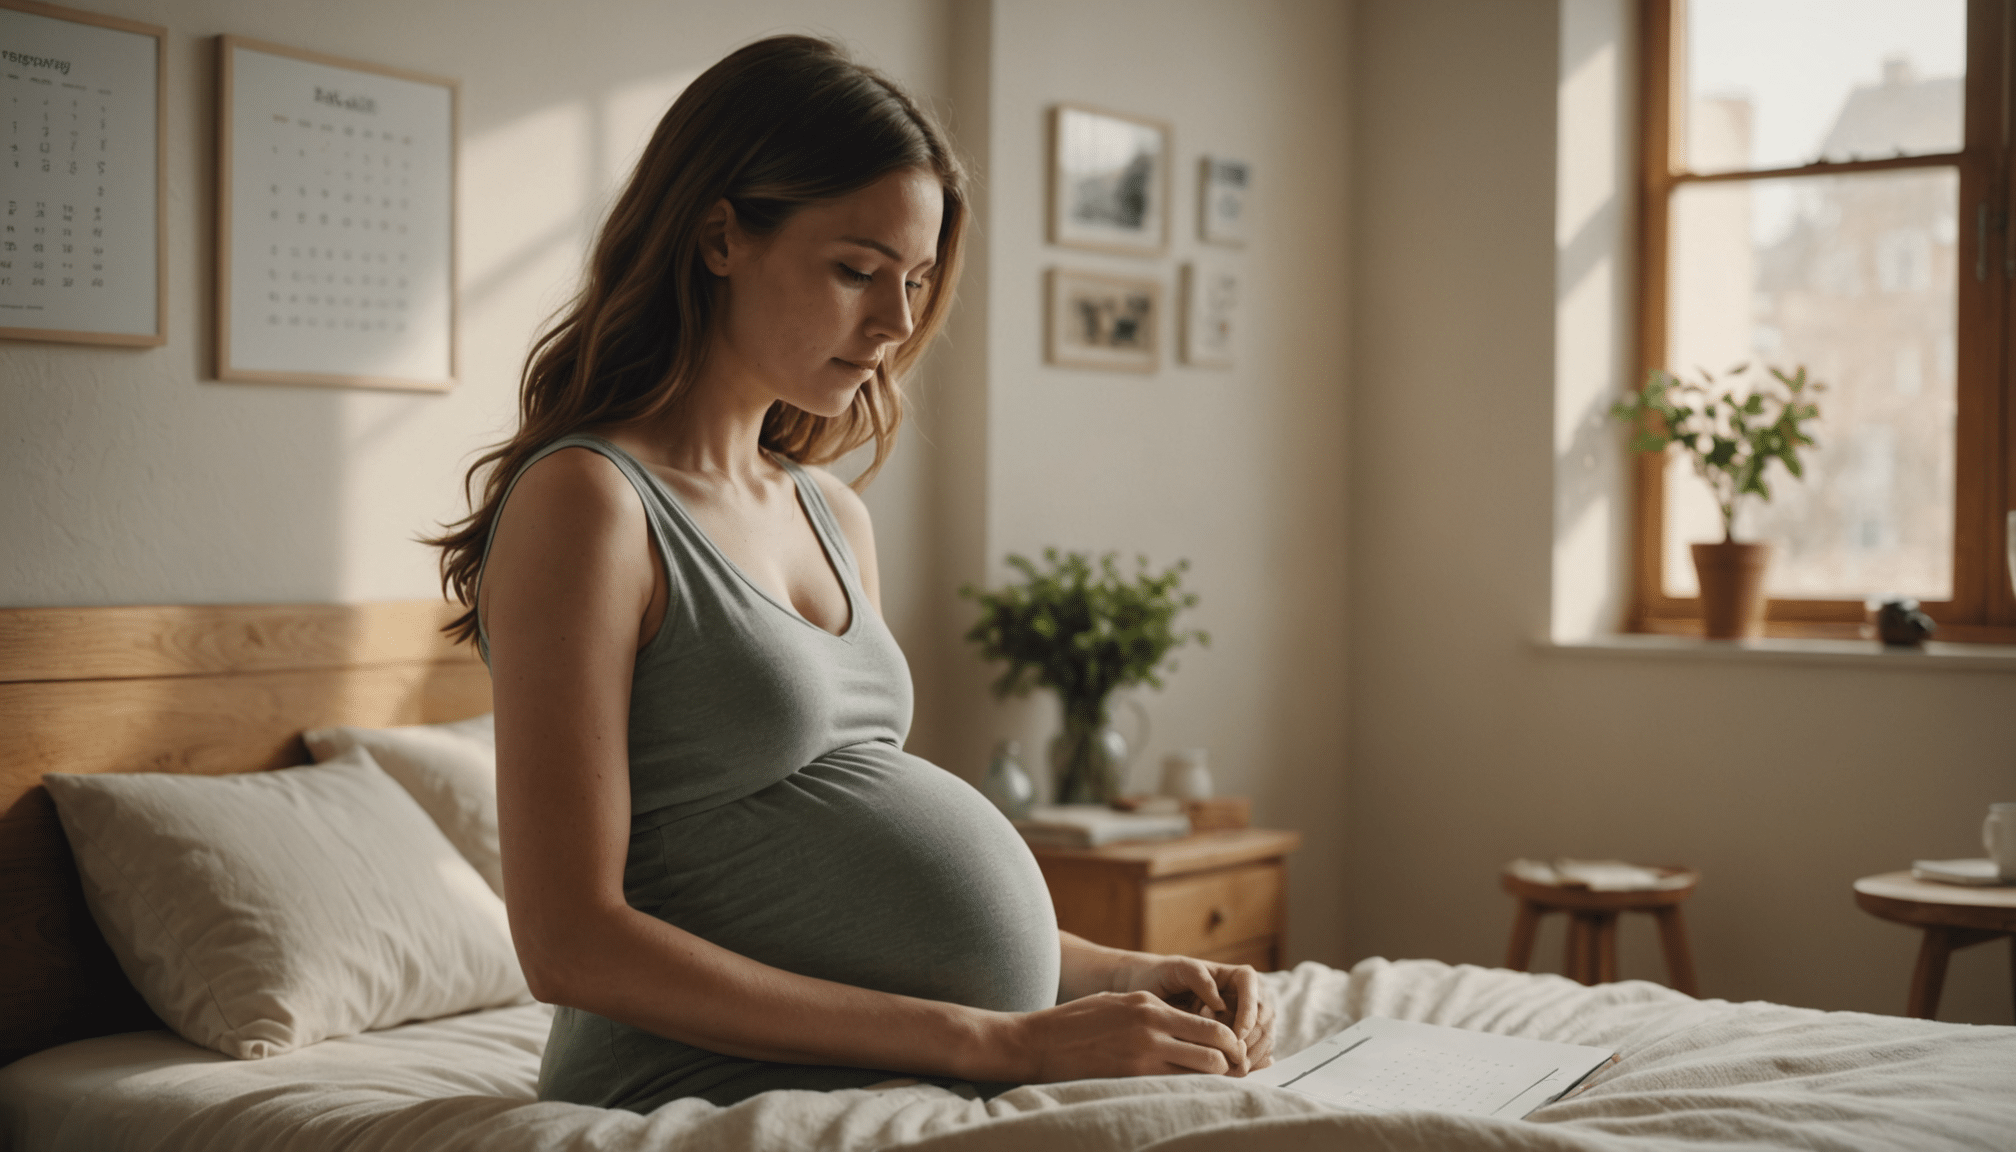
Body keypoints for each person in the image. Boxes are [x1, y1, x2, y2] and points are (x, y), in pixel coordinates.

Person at [429, 35, 1275, 1112]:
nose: (897, 324)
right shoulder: (591, 505)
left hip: (897, 1074)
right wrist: (1002, 1044)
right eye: (856, 271)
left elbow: (828, 875)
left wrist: (1119, 975)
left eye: (916, 281)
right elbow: (569, 944)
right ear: (720, 236)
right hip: (700, 1092)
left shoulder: (829, 513)